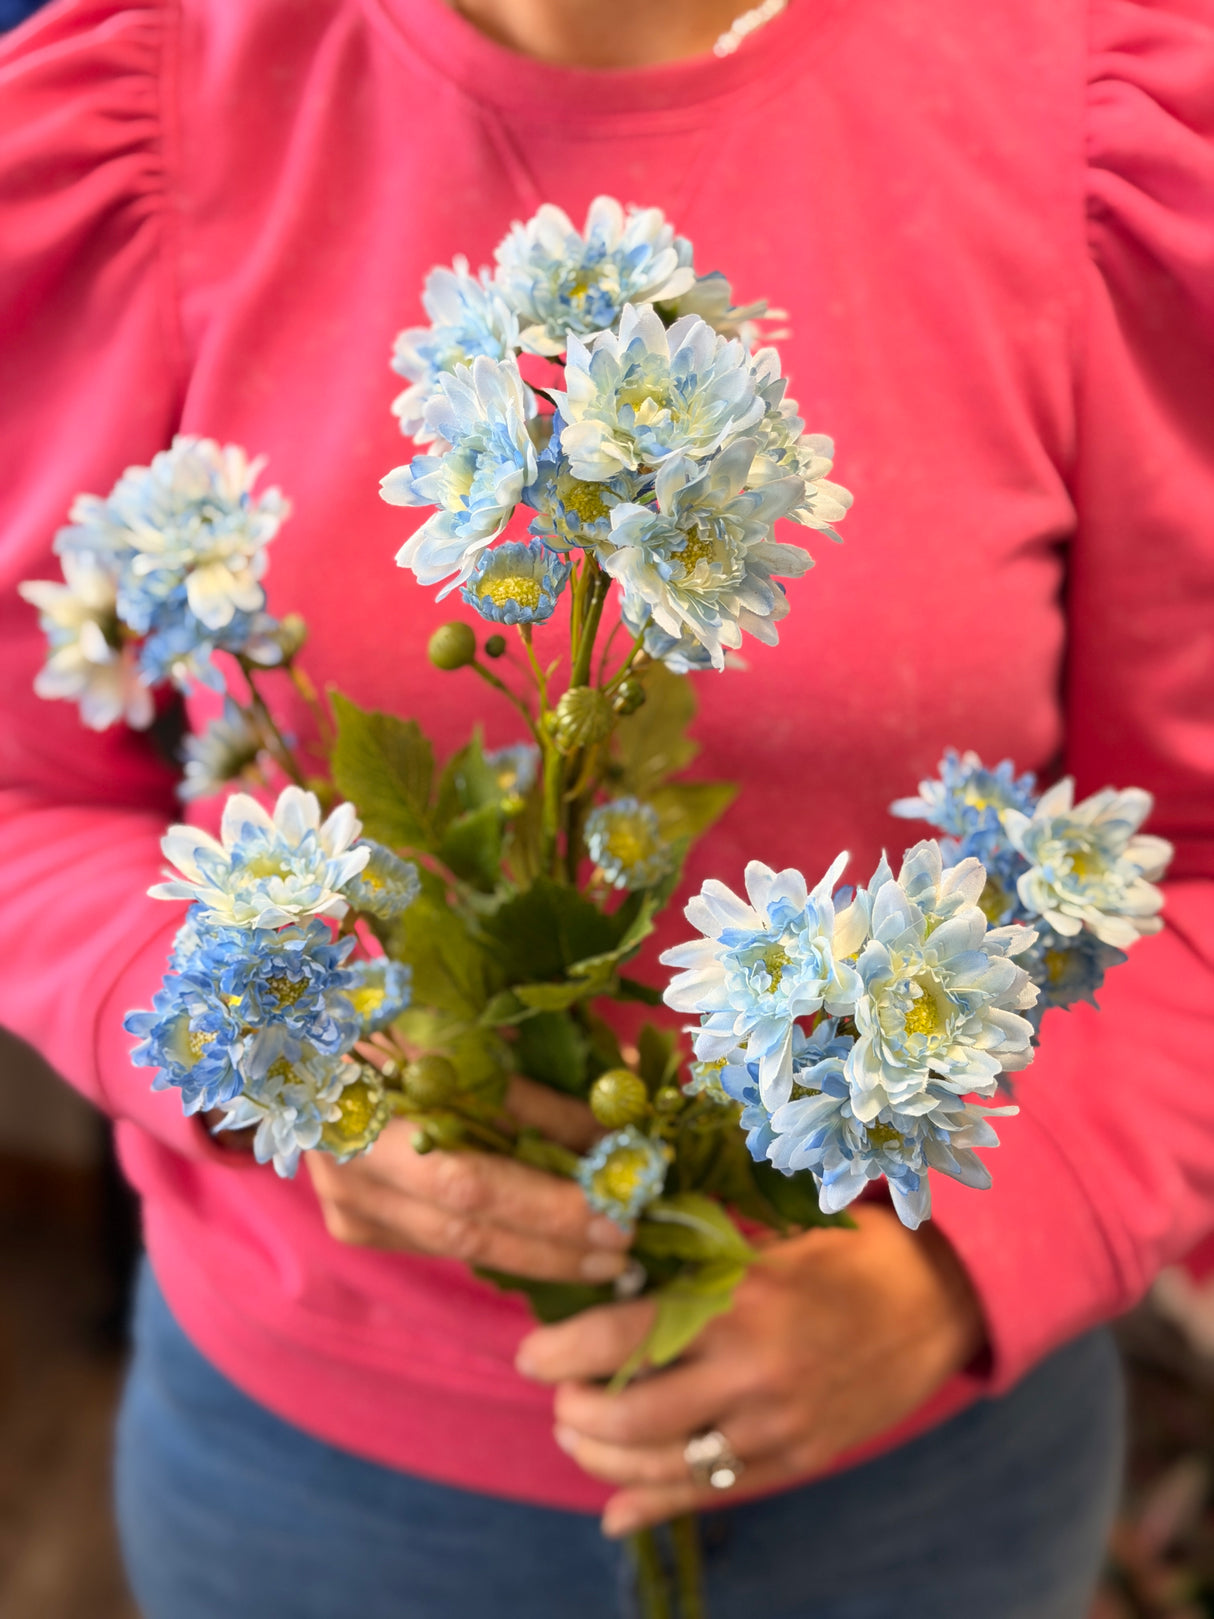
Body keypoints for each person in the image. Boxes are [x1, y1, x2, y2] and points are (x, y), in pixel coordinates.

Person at [1, 0, 1211, 1614]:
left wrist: (957, 1266)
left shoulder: (1104, 110)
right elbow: (28, 797)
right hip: (314, 1488)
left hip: (924, 1482)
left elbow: (1186, 855)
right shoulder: (133, 102)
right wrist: (283, 1049)